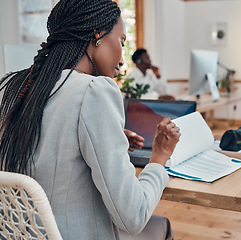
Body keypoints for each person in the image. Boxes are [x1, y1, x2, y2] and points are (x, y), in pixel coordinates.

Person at [0, 1, 180, 240]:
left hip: (22, 233)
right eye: (122, 41)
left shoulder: (10, 87)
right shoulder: (94, 90)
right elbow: (134, 215)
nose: (124, 59)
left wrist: (106, 137)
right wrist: (159, 157)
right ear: (98, 35)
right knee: (161, 225)